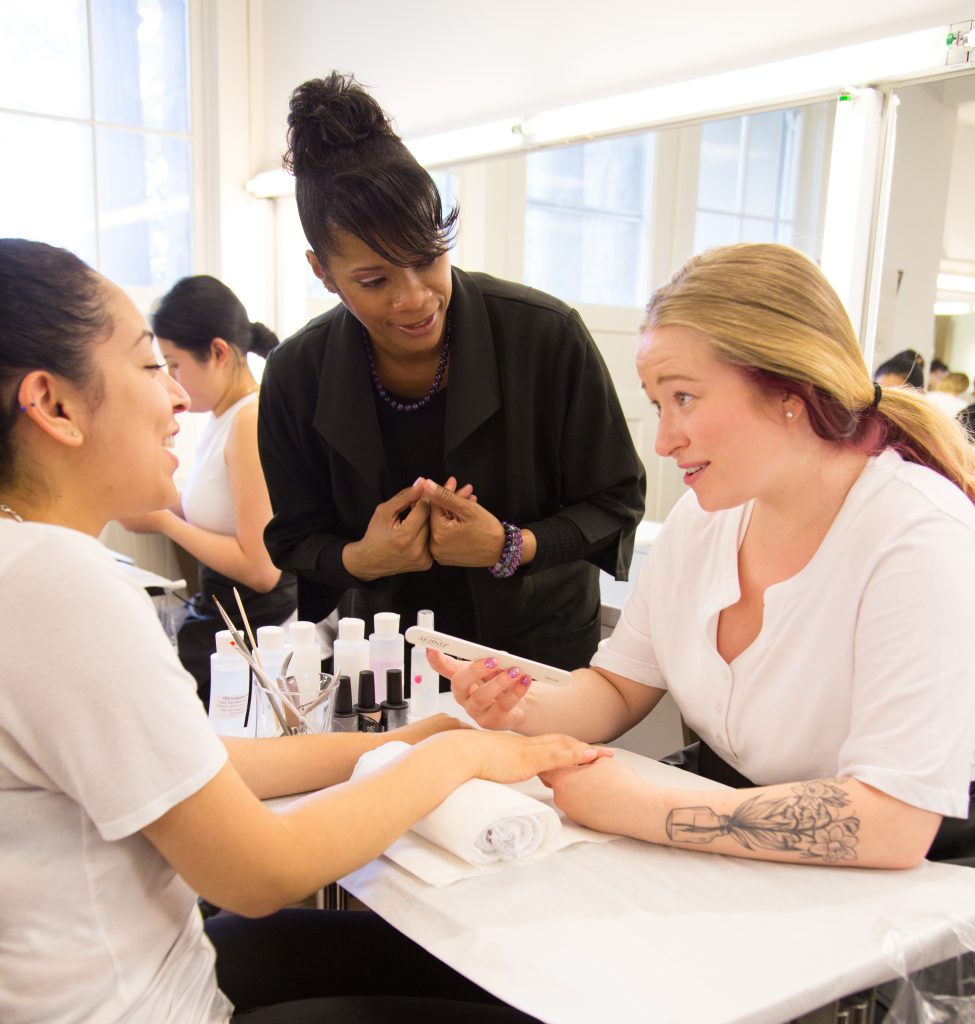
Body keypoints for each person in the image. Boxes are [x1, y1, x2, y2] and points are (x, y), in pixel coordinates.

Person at [0, 237, 607, 1022]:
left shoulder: (31, 569)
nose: (176, 399)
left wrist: (413, 740)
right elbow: (257, 874)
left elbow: (202, 764)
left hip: (157, 971)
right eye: (152, 367)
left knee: (480, 966)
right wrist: (460, 755)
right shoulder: (55, 581)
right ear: (53, 405)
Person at [428, 242, 975, 870]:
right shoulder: (704, 520)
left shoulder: (918, 536)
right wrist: (525, 707)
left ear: (789, 389)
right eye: (659, 406)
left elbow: (892, 823)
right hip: (735, 838)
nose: (663, 441)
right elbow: (615, 688)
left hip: (914, 896)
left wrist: (641, 807)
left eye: (684, 398)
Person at [257, 72, 646, 673]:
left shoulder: (544, 336)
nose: (414, 298)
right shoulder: (295, 374)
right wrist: (362, 559)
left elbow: (615, 502)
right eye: (374, 280)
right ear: (322, 272)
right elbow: (294, 538)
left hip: (538, 650)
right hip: (388, 655)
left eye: (427, 258)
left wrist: (510, 547)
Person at [119, 275, 298, 705]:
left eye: (174, 364)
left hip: (258, 624)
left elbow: (262, 570)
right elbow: (217, 511)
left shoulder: (247, 421)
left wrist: (165, 521)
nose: (173, 385)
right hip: (225, 612)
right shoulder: (222, 418)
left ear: (218, 352)